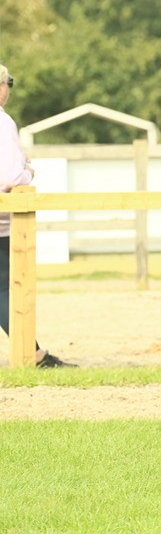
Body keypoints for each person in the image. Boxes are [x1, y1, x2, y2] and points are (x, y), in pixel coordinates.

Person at [0, 63, 75, 367]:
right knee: (5, 289)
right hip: (3, 222)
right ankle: (33, 354)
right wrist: (27, 170)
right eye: (9, 83)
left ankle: (34, 352)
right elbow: (8, 176)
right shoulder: (3, 123)